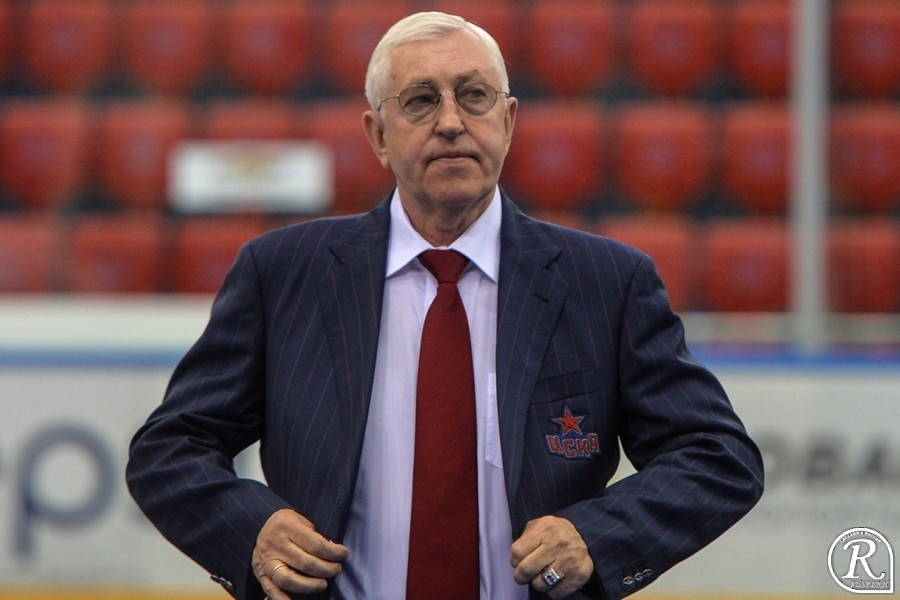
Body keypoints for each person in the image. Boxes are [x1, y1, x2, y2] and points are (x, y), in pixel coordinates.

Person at [127, 11, 763, 600]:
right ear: (378, 135)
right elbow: (171, 448)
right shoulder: (282, 273)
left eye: (474, 95)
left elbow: (717, 457)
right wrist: (252, 531)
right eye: (421, 100)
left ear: (508, 121)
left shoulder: (607, 282)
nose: (452, 121)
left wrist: (598, 537)